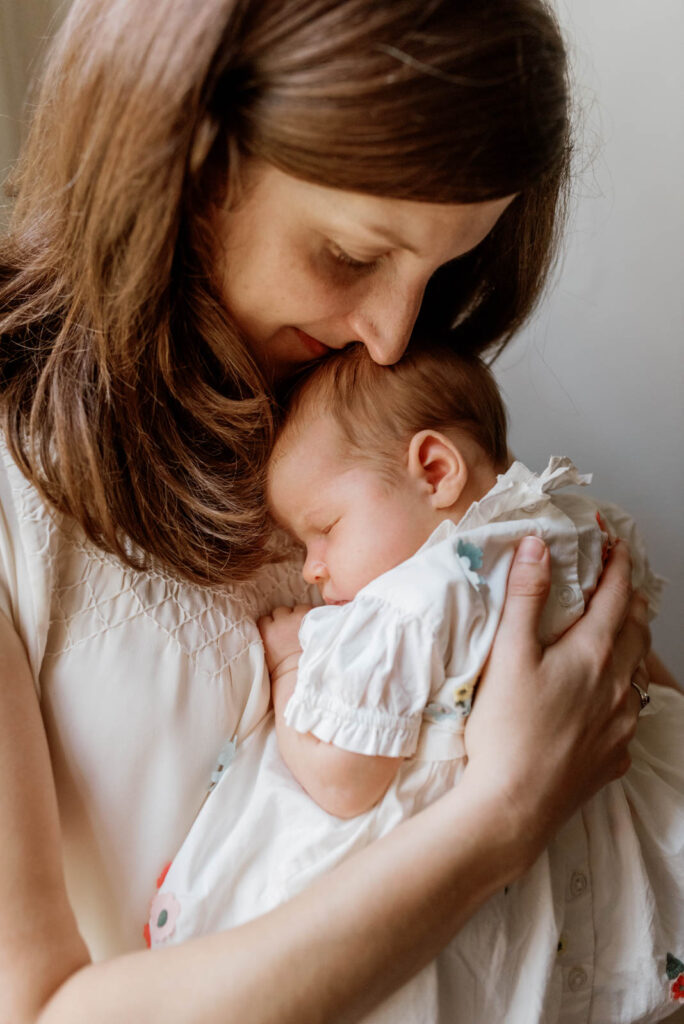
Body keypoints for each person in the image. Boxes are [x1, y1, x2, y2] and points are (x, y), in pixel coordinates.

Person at [0, 1, 661, 1021]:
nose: (395, 335)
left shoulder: (370, 417)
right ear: (192, 161)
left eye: (439, 270)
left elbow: (615, 737)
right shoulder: (18, 498)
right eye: (353, 256)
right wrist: (501, 818)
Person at [147, 342, 682, 1023]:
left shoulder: (411, 604)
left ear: (434, 470)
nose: (311, 569)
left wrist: (289, 667)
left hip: (477, 894)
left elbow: (344, 782)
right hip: (608, 862)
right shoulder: (581, 522)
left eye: (325, 529)